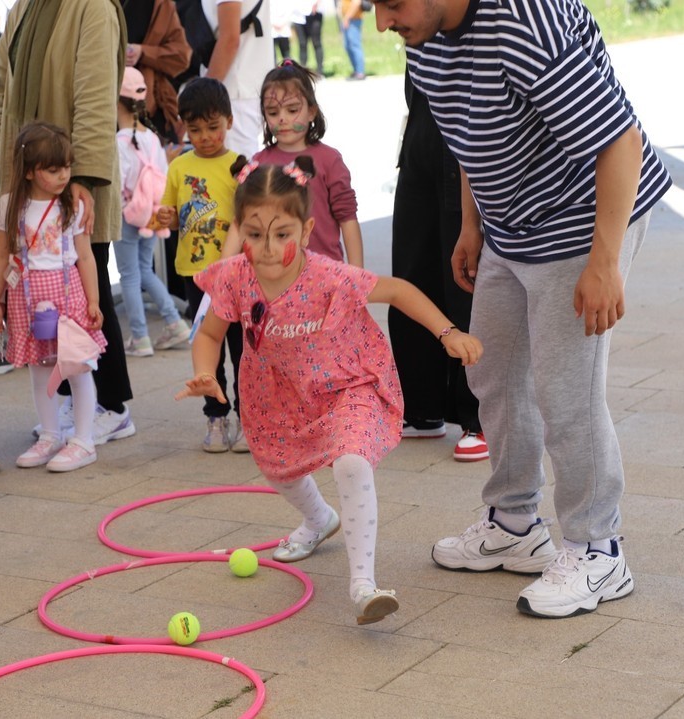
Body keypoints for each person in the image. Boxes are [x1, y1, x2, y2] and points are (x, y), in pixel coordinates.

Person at [374, 0, 671, 617]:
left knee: (566, 389)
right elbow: (467, 139)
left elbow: (620, 139)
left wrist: (605, 262)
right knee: (494, 369)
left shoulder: (520, 23)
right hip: (509, 225)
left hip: (582, 221)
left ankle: (599, 549)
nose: (381, 21)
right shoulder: (424, 37)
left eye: (391, 3)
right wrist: (470, 225)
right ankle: (514, 523)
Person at [177, 158, 482, 624]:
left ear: (305, 230)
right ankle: (319, 519)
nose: (266, 247)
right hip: (274, 392)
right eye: (255, 234)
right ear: (239, 229)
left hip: (346, 381)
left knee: (351, 461)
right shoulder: (235, 276)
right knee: (276, 467)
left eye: (282, 233)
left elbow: (398, 291)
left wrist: (448, 333)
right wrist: (203, 372)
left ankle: (364, 585)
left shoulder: (327, 274)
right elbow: (210, 333)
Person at [0, 0, 137, 446]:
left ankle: (110, 405)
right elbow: (0, 91)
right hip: (26, 177)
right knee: (46, 297)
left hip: (71, 178)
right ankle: (75, 402)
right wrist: (0, 152)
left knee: (86, 290)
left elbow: (95, 98)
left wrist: (83, 178)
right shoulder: (23, 9)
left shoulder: (92, 7)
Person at [0, 123, 106, 472]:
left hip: (69, 295)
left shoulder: (73, 205)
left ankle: (84, 439)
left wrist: (94, 300)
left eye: (66, 168)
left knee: (78, 367)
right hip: (26, 296)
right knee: (40, 369)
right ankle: (50, 433)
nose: (63, 176)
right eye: (53, 170)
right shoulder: (10, 206)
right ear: (29, 171)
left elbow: (85, 256)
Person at [389, 72, 486, 461]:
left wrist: (471, 220)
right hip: (419, 143)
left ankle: (481, 417)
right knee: (412, 272)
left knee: (462, 281)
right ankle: (422, 406)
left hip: (463, 150)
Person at [157, 78, 246, 453]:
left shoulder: (239, 166)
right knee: (206, 346)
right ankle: (215, 416)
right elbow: (175, 216)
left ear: (228, 120)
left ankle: (248, 416)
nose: (205, 136)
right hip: (195, 274)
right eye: (195, 129)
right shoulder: (180, 165)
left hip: (236, 274)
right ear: (184, 126)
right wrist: (167, 216)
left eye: (213, 127)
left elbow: (248, 219)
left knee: (242, 348)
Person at [246, 60, 362, 266]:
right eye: (273, 112)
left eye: (292, 110)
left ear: (311, 112)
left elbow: (347, 218)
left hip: (325, 275)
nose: (282, 119)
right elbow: (243, 225)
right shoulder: (258, 163)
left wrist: (357, 278)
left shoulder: (329, 160)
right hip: (273, 276)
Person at [115, 68, 192, 357]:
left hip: (129, 217)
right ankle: (174, 322)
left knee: (130, 276)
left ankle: (140, 337)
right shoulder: (151, 138)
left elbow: (119, 184)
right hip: (152, 215)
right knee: (145, 270)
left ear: (115, 100)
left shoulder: (120, 142)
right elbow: (162, 172)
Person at [203, 0, 275, 158]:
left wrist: (203, 95)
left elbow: (229, 40)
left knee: (237, 171)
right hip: (238, 87)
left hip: (233, 90)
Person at [123, 0, 192, 144]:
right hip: (107, 103)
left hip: (150, 107)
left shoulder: (161, 5)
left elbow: (182, 55)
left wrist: (142, 52)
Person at [291, 0, 325, 77]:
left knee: (316, 43)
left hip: (314, 13)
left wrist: (317, 3)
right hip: (298, 15)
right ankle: (302, 71)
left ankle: (320, 71)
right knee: (302, 44)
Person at [339, 0, 365, 80]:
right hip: (348, 19)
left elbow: (357, 3)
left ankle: (360, 72)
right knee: (348, 46)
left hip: (353, 19)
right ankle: (356, 70)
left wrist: (347, 18)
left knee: (354, 45)